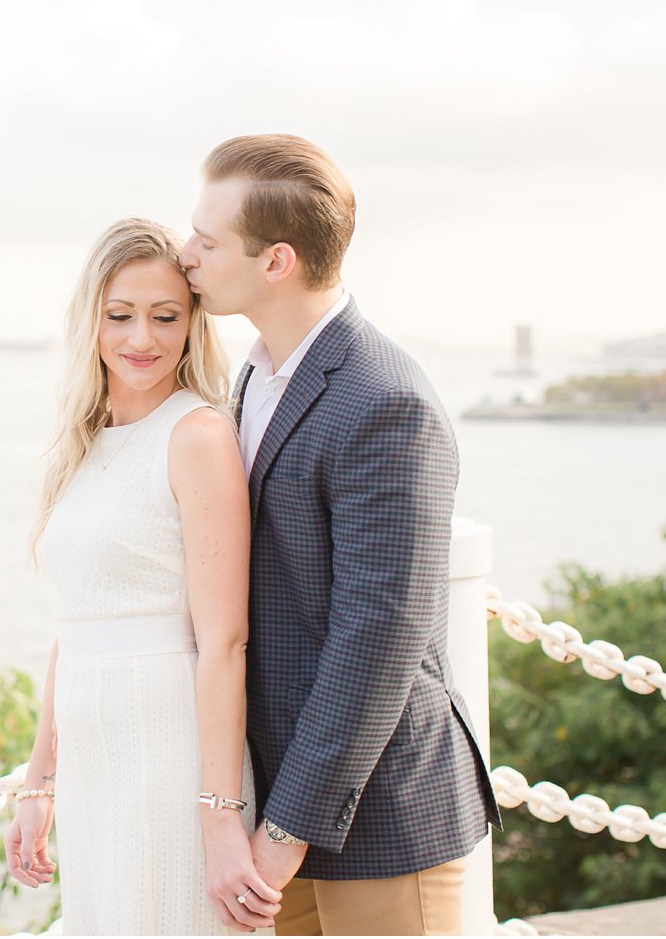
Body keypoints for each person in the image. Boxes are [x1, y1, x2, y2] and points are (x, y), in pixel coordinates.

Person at [180, 134, 501, 936]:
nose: (185, 254)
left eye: (207, 240)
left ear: (276, 261)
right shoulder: (256, 373)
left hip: (381, 814)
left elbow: (379, 640)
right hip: (274, 801)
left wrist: (287, 830)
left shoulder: (385, 404)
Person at [4, 218, 283, 934]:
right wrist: (40, 779)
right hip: (94, 758)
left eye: (166, 317)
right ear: (89, 319)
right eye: (119, 315)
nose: (142, 340)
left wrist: (220, 815)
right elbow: (76, 623)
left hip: (168, 749)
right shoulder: (83, 442)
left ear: (193, 324)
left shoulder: (197, 436)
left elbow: (225, 641)